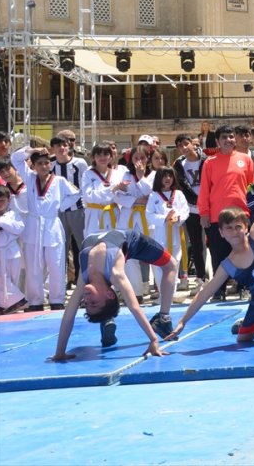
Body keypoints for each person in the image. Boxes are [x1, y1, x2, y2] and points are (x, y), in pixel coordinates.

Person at [166, 152, 254, 351]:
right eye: (229, 228)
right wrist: (183, 321)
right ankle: (245, 323)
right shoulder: (228, 264)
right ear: (221, 232)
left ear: (246, 227)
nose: (235, 232)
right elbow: (205, 293)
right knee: (243, 340)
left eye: (238, 227)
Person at [51, 229, 178, 360]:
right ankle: (163, 318)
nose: (87, 298)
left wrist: (60, 351)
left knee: (101, 285)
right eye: (93, 302)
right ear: (110, 295)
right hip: (130, 242)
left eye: (86, 303)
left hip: (108, 236)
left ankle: (106, 319)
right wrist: (153, 339)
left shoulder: (83, 280)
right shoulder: (116, 274)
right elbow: (134, 307)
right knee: (171, 265)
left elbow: (68, 316)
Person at [12, 147, 81, 311]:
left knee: (56, 264)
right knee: (33, 266)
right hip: (33, 224)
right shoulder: (29, 177)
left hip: (51, 223)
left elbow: (76, 194)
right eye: (40, 164)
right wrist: (33, 150)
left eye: (46, 163)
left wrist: (60, 206)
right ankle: (35, 301)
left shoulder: (60, 181)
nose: (44, 166)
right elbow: (15, 158)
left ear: (50, 164)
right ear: (34, 166)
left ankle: (57, 299)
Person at [197, 125, 254, 298]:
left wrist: (253, 210)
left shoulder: (245, 159)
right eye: (224, 137)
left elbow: (252, 187)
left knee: (243, 251)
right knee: (218, 254)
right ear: (217, 141)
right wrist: (204, 212)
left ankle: (244, 287)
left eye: (230, 137)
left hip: (241, 215)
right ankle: (219, 290)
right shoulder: (209, 162)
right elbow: (204, 189)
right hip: (217, 216)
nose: (228, 140)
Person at [49, 134, 87, 289]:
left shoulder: (80, 163)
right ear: (53, 148)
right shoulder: (50, 165)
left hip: (78, 210)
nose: (61, 148)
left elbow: (85, 186)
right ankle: (60, 284)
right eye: (58, 145)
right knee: (60, 249)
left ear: (69, 146)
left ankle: (85, 282)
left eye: (64, 145)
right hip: (58, 214)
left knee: (83, 247)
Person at [145, 166, 189, 289]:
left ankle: (171, 292)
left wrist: (177, 218)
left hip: (175, 233)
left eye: (170, 176)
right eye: (164, 176)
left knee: (175, 262)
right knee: (159, 264)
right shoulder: (154, 195)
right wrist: (165, 218)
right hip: (160, 234)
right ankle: (162, 291)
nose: (168, 178)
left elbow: (185, 210)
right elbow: (149, 214)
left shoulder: (178, 194)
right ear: (159, 178)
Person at [173, 134, 207, 283]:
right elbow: (180, 186)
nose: (184, 148)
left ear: (193, 144)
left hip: (209, 208)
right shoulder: (179, 165)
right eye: (180, 146)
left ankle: (221, 278)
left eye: (186, 144)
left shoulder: (206, 160)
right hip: (191, 210)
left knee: (215, 244)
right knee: (196, 245)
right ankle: (201, 278)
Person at [0, 185, 27, 315]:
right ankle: (18, 301)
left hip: (11, 252)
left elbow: (18, 229)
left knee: (11, 280)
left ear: (8, 200)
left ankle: (2, 306)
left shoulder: (13, 214)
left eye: (1, 200)